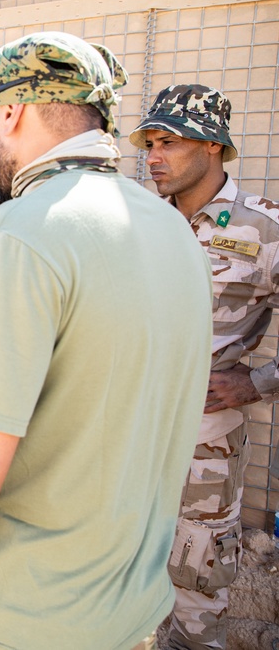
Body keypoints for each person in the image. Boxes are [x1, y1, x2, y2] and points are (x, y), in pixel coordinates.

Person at [0, 32, 213, 650]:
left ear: (10, 111)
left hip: (21, 621)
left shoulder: (18, 235)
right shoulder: (170, 227)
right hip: (132, 615)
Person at [131, 84, 279, 650]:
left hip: (206, 435)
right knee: (128, 557)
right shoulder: (137, 222)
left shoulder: (261, 229)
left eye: (168, 142)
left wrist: (255, 381)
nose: (153, 157)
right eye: (148, 144)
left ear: (213, 146)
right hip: (130, 426)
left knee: (197, 570)